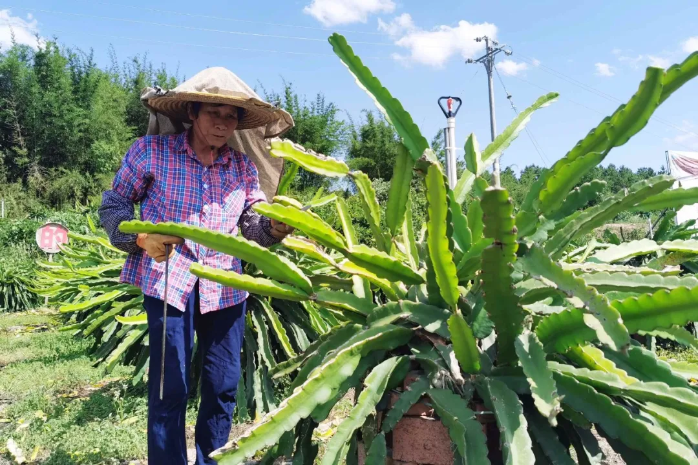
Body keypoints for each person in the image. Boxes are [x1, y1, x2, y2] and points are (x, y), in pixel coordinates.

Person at [98, 67, 294, 465]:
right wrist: (138, 238)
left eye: (231, 116)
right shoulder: (151, 152)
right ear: (192, 111)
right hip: (170, 279)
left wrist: (273, 226)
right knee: (171, 387)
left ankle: (213, 460)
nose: (223, 123)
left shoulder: (241, 167)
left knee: (222, 386)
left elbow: (251, 223)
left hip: (224, 285)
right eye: (214, 113)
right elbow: (114, 205)